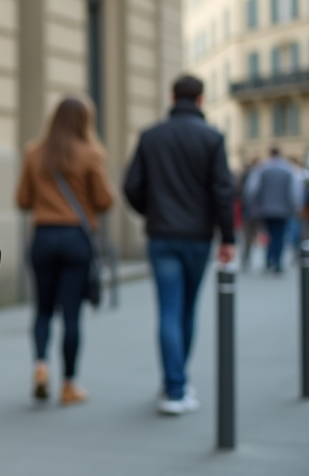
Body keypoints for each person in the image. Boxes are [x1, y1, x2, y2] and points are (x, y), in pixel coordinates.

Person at [123, 75, 234, 416]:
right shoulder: (213, 138)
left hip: (162, 236)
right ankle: (178, 384)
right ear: (201, 100)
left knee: (169, 310)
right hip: (198, 238)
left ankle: (173, 384)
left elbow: (131, 186)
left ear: (172, 97)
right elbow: (223, 192)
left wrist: (153, 212)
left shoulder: (151, 136)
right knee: (187, 310)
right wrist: (228, 237)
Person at [15, 97, 114, 406]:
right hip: (76, 239)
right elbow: (105, 201)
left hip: (43, 237)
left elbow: (22, 199)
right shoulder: (91, 153)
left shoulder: (34, 152)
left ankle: (41, 367)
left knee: (43, 310)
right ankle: (69, 385)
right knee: (71, 315)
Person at [243, 146, 304, 274]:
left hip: (266, 209)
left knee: (269, 234)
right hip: (284, 209)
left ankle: (270, 259)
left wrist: (254, 205)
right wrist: (296, 206)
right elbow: (295, 191)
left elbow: (252, 189)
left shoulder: (262, 168)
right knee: (279, 235)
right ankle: (277, 261)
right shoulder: (288, 169)